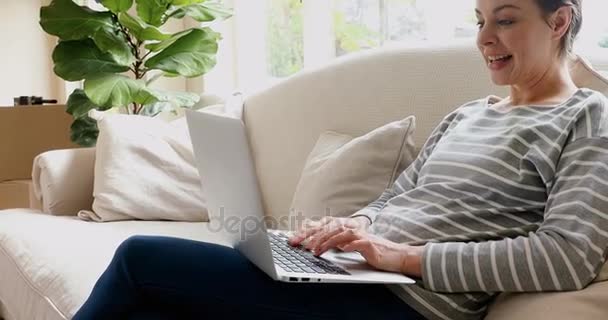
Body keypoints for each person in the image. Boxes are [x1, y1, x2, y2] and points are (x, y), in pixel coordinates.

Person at [73, 0, 607, 319]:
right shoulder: (468, 113)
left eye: (506, 20)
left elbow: (568, 255)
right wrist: (354, 226)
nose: (485, 38)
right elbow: (397, 197)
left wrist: (400, 258)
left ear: (559, 21)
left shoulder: (587, 117)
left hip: (409, 304)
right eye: (479, 18)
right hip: (354, 275)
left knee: (138, 257)